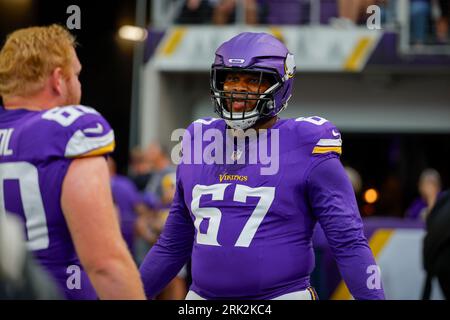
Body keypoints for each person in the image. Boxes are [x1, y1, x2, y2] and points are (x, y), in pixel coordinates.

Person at [140, 32, 385, 300]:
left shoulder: (307, 142)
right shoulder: (199, 139)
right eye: (231, 78)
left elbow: (348, 243)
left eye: (253, 80)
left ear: (281, 86)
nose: (238, 88)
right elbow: (172, 246)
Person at [0, 25, 145, 299]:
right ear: (58, 79)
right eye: (76, 75)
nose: (78, 84)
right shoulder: (70, 130)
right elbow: (105, 263)